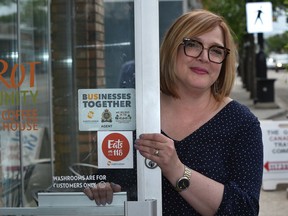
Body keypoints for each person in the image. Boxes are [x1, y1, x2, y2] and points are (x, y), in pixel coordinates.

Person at [84, 9, 263, 215]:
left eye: (216, 51)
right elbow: (105, 179)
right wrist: (102, 189)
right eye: (193, 45)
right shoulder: (136, 111)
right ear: (172, 48)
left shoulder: (241, 123)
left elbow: (245, 209)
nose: (204, 57)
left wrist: (177, 170)